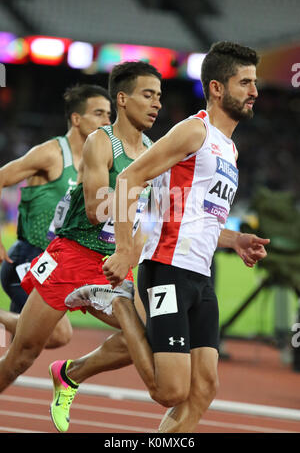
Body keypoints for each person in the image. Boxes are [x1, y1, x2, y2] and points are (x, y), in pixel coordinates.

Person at [47, 42, 270, 434]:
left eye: (254, 83)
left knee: (203, 389)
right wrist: (122, 249)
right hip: (167, 268)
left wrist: (235, 240)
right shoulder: (193, 130)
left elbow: (197, 217)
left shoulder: (230, 150)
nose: (254, 91)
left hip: (200, 277)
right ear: (217, 88)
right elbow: (132, 178)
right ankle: (118, 302)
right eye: (245, 82)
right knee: (170, 390)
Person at [0, 61, 162, 408]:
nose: (157, 104)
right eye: (148, 95)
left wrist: (131, 252)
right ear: (123, 99)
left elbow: (149, 216)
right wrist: (132, 191)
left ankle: (71, 373)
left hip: (114, 265)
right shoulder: (99, 142)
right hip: (71, 257)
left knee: (148, 335)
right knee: (22, 355)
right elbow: (95, 208)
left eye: (159, 96)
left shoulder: (153, 151)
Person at [0, 84, 112, 348]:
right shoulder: (51, 154)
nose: (107, 121)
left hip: (59, 263)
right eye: (99, 113)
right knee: (59, 334)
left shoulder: (101, 162)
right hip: (28, 259)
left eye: (109, 114)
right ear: (76, 119)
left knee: (20, 352)